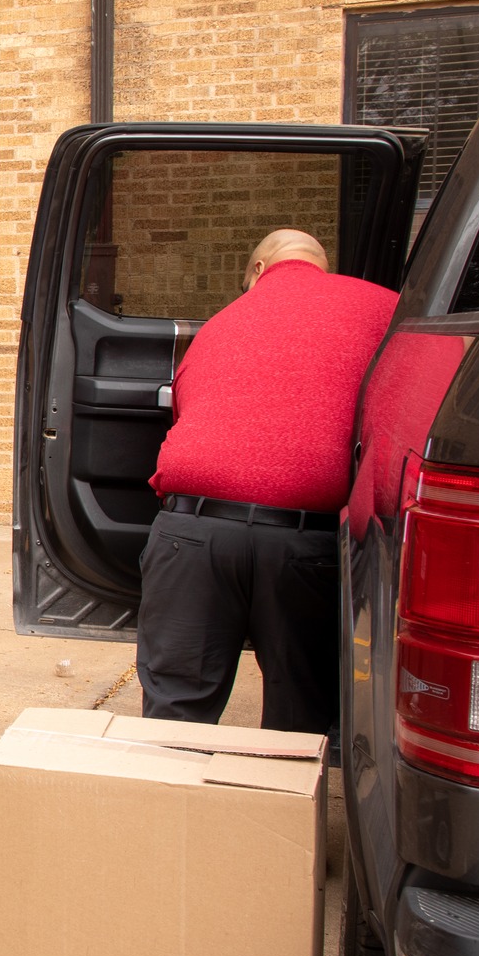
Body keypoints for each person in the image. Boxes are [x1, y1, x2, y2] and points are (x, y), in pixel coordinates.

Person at [138, 227, 397, 734]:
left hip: (191, 532)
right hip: (305, 541)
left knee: (175, 705)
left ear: (258, 271)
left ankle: (167, 805)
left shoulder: (219, 323)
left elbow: (187, 413)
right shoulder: (385, 308)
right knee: (304, 713)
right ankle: (285, 808)